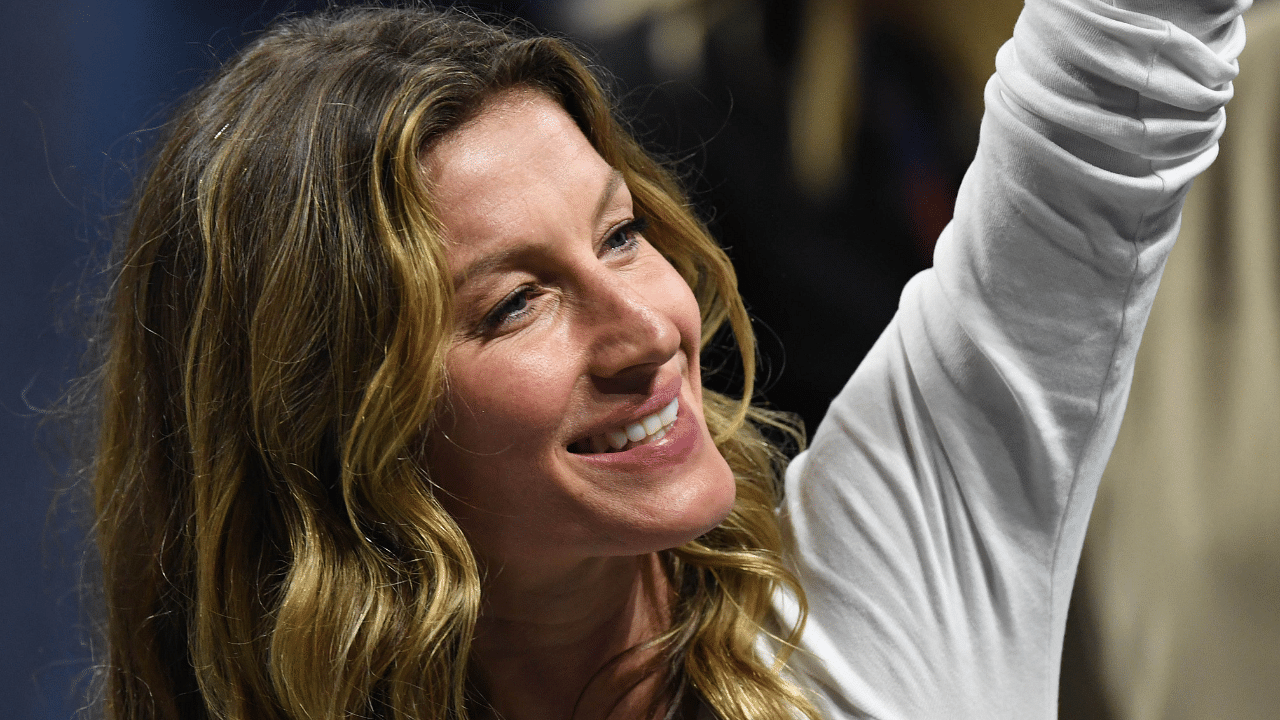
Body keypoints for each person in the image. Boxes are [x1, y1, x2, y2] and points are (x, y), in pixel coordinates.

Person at [80, 0, 1248, 719]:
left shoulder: (885, 582)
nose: (647, 331)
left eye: (622, 236)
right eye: (517, 304)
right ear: (335, 431)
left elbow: (1114, 85)